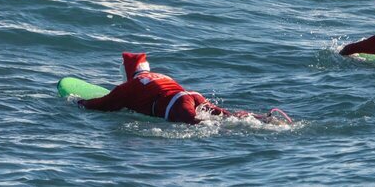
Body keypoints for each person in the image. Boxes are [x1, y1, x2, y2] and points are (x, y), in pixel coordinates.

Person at [77, 52, 291, 125]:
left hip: (176, 103)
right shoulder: (159, 76)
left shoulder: (128, 87)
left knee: (203, 127)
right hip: (191, 95)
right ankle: (265, 118)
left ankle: (252, 129)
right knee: (228, 116)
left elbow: (101, 105)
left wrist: (78, 102)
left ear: (128, 72)